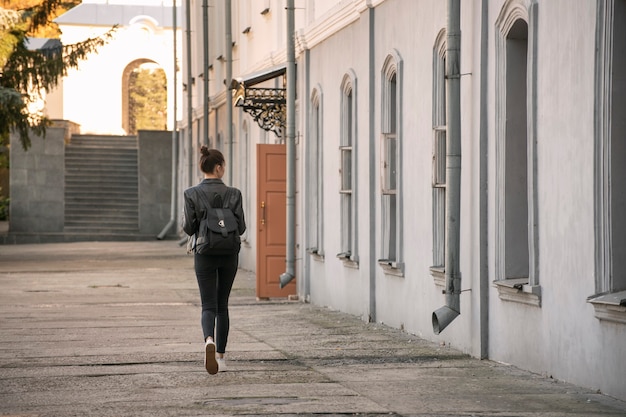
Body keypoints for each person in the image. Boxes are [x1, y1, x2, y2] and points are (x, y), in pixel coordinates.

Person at [182, 146, 246, 375]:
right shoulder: (235, 193)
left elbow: (188, 227)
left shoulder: (191, 194)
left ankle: (208, 339)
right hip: (229, 253)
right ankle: (220, 357)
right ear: (218, 167)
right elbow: (241, 227)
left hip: (204, 252)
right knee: (222, 305)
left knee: (208, 305)